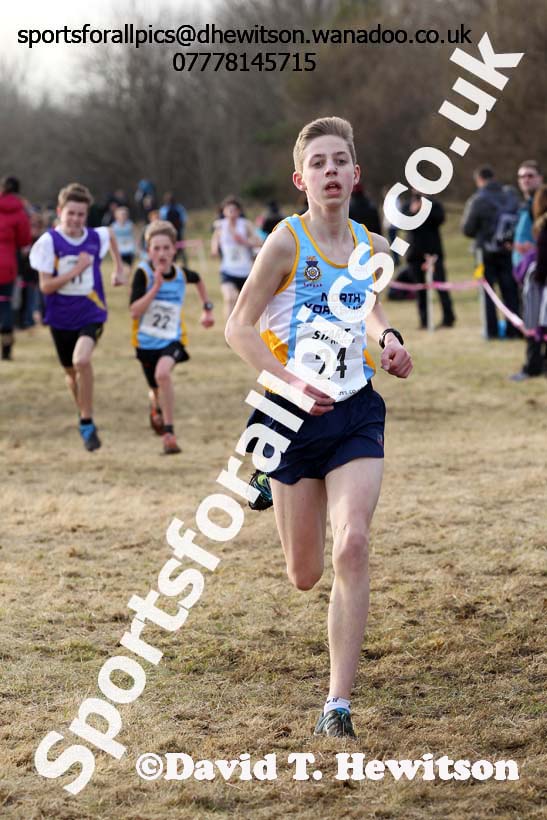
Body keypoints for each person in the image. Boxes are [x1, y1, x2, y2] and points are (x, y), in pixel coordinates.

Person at [225, 116, 412, 738]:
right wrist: (291, 383)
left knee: (352, 543)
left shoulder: (374, 250)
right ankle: (265, 476)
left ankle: (338, 704)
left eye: (340, 162)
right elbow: (238, 328)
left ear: (356, 176)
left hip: (356, 411)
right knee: (304, 575)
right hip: (294, 421)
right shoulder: (284, 243)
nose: (330, 171)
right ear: (300, 178)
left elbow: (369, 310)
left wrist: (388, 340)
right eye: (319, 163)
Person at [30, 183, 124, 451]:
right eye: (70, 213)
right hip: (60, 318)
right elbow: (46, 286)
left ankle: (86, 420)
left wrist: (119, 269)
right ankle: (84, 413)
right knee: (71, 375)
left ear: (87, 215)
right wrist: (79, 268)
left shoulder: (96, 236)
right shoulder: (49, 242)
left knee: (81, 360)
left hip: (91, 312)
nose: (75, 219)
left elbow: (111, 236)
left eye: (81, 214)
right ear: (60, 212)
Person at [130, 220, 214, 454]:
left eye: (166, 248)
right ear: (149, 251)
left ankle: (169, 433)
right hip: (145, 344)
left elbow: (197, 279)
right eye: (156, 249)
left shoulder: (180, 274)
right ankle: (154, 403)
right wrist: (155, 288)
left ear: (174, 249)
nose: (162, 253)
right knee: (155, 385)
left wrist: (207, 308)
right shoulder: (143, 274)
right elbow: (134, 311)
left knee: (162, 374)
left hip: (172, 340)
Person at [461, 166, 520, 339]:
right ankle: (514, 330)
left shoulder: (478, 200)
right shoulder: (511, 195)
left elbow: (467, 229)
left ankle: (491, 331)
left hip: (484, 254)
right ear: (494, 177)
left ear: (479, 180)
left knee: (487, 293)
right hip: (508, 251)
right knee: (511, 291)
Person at [510, 185, 547, 381]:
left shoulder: (543, 226)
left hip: (540, 289)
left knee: (534, 326)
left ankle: (532, 367)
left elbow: (542, 264)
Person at [404, 191, 456, 328]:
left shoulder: (434, 205)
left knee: (441, 287)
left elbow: (440, 219)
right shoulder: (407, 205)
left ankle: (448, 318)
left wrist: (425, 208)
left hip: (432, 253)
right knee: (420, 290)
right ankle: (424, 321)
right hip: (415, 255)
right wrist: (413, 212)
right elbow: (403, 225)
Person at [211, 196, 263, 320]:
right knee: (230, 298)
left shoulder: (245, 224)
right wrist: (214, 249)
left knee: (246, 304)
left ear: (239, 211)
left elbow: (260, 242)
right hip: (227, 270)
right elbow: (215, 238)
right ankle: (228, 330)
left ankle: (241, 327)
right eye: (228, 210)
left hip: (245, 271)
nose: (231, 212)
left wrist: (245, 242)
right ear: (223, 211)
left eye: (234, 210)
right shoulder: (220, 226)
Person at [0, 176, 32, 360]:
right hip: (7, 265)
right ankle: (6, 350)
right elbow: (24, 240)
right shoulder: (20, 212)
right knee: (5, 304)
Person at [512, 160, 543, 269]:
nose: (526, 179)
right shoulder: (523, 206)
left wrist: (535, 249)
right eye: (522, 176)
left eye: (530, 176)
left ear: (540, 178)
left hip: (539, 270)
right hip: (523, 270)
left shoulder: (543, 206)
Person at [17, 210, 45, 329]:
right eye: (32, 225)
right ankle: (24, 320)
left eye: (38, 226)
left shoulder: (42, 241)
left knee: (35, 300)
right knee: (23, 300)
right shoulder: (24, 240)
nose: (35, 228)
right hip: (24, 276)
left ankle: (33, 320)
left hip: (37, 277)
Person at [111, 206, 136, 276]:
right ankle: (118, 277)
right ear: (117, 216)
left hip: (129, 249)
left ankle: (126, 278)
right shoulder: (114, 226)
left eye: (125, 214)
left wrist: (136, 247)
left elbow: (134, 236)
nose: (123, 216)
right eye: (121, 214)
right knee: (119, 266)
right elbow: (111, 239)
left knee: (130, 267)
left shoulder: (130, 225)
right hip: (119, 250)